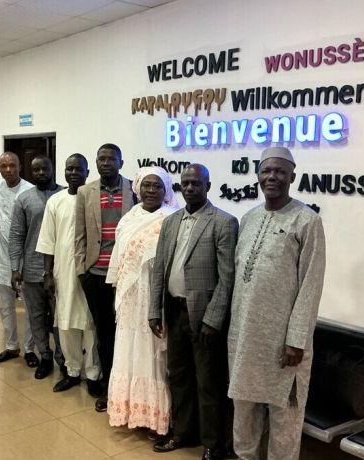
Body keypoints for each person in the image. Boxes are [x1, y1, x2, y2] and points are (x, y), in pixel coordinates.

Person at [228, 147, 326, 460]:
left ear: (292, 177)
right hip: (244, 339)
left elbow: (311, 285)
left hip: (284, 346)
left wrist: (296, 340)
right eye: (267, 171)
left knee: (284, 418)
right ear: (258, 175)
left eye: (280, 172)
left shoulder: (307, 221)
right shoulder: (249, 218)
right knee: (244, 413)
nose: (272, 177)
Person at [149, 163, 238, 460]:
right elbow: (159, 267)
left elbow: (227, 278)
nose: (189, 188)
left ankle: (214, 444)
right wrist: (154, 310)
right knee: (179, 377)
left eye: (195, 184)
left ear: (208, 186)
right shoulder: (171, 221)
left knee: (208, 382)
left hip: (203, 318)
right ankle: (183, 433)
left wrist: (213, 319)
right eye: (185, 183)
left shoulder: (223, 222)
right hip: (173, 311)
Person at [106, 167, 179, 436]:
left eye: (157, 186)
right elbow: (119, 258)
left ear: (166, 190)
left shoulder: (171, 219)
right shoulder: (128, 219)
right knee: (128, 351)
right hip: (129, 299)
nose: (150, 191)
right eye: (146, 185)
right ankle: (129, 410)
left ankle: (155, 418)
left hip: (155, 297)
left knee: (153, 356)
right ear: (137, 188)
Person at [75, 143, 135, 412]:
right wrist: (81, 270)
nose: (106, 162)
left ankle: (131, 391)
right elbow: (80, 234)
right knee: (105, 334)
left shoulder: (134, 189)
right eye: (101, 159)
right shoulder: (85, 192)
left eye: (112, 159)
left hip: (126, 277)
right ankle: (111, 389)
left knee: (129, 336)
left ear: (121, 163)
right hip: (96, 275)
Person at [37, 154, 102, 394]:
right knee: (65, 325)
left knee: (90, 326)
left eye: (78, 169)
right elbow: (47, 240)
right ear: (63, 172)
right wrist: (47, 274)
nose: (73, 173)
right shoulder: (55, 201)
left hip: (90, 273)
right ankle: (73, 371)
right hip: (62, 272)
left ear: (87, 172)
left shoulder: (93, 198)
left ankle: (94, 375)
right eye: (69, 168)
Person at [9, 156, 65, 379]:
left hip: (61, 269)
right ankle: (45, 356)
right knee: (37, 317)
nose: (41, 172)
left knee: (61, 318)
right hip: (32, 269)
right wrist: (15, 268)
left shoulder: (66, 195)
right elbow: (16, 236)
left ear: (53, 168)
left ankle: (64, 358)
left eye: (45, 168)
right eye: (36, 169)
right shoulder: (24, 199)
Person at [0, 152, 37, 367]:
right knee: (5, 306)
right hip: (1, 257)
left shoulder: (30, 190)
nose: (8, 169)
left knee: (29, 306)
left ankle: (29, 349)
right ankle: (11, 346)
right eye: (4, 166)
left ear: (20, 167)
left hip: (26, 257)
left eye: (12, 165)